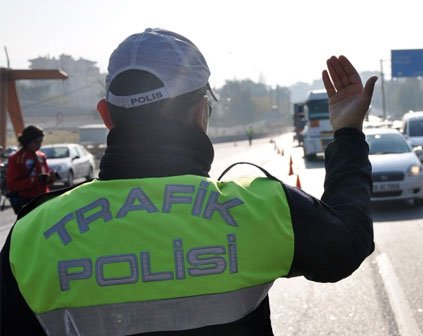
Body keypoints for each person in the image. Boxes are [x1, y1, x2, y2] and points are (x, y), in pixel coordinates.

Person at [0, 28, 376, 335]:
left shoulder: (31, 234)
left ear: (106, 116)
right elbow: (349, 242)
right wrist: (347, 133)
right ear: (201, 112)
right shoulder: (262, 208)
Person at [5, 125, 55, 214]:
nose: (39, 145)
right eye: (36, 142)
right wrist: (34, 180)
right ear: (28, 141)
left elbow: (46, 176)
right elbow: (12, 185)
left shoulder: (41, 156)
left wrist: (51, 178)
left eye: (41, 142)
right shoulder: (17, 159)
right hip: (27, 202)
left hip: (44, 199)